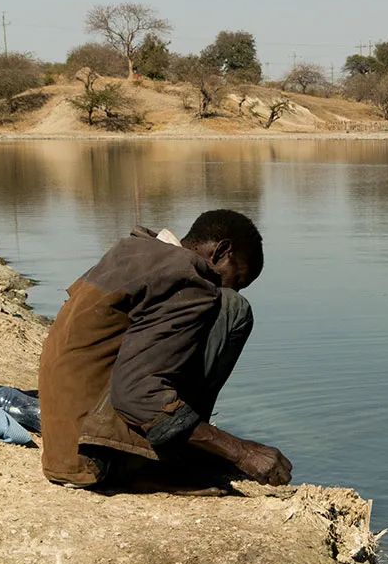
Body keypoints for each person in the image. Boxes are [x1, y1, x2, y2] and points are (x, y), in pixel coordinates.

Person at [38, 208, 290, 491]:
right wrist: (242, 452)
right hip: (97, 459)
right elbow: (137, 395)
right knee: (233, 309)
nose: (232, 288)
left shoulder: (134, 251)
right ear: (221, 252)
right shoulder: (184, 275)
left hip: (65, 452)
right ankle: (168, 463)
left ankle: (176, 451)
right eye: (237, 280)